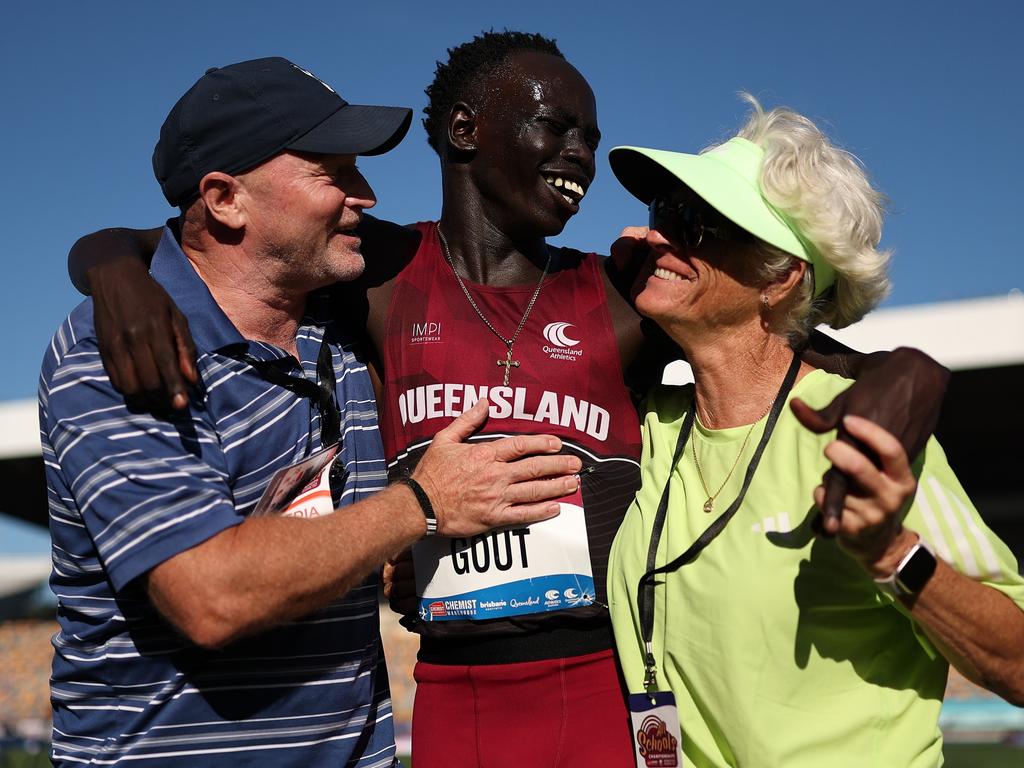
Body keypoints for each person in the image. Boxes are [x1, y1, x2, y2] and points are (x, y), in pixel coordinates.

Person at [66, 34, 948, 767]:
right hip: (453, 690)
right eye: (555, 125)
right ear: (464, 129)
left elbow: (785, 336)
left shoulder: (619, 291)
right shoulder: (379, 270)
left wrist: (913, 366)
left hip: (606, 681)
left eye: (592, 140)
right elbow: (215, 231)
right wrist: (113, 267)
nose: (581, 155)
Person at [39, 56, 584, 767]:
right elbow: (210, 595)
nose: (367, 194)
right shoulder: (115, 350)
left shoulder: (343, 320)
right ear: (227, 199)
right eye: (333, 172)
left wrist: (410, 561)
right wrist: (420, 505)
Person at [605, 97, 1024, 767]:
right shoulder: (644, 429)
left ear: (781, 277)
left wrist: (891, 556)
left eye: (695, 223)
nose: (657, 236)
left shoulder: (863, 435)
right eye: (663, 214)